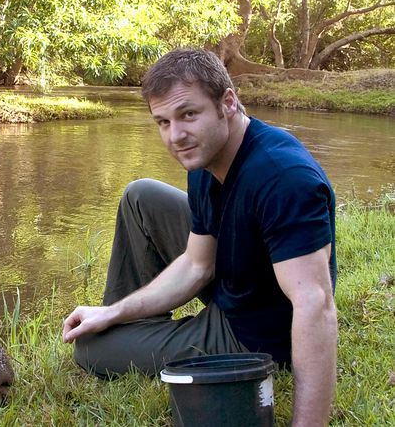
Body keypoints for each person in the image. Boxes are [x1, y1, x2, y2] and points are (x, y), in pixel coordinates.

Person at [61, 48, 337, 426]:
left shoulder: (283, 177)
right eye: (163, 121)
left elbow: (315, 304)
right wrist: (113, 312)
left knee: (90, 349)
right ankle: (128, 325)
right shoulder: (206, 157)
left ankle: (131, 337)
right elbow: (196, 265)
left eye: (188, 114)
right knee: (141, 195)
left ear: (227, 102)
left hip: (254, 333)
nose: (176, 136)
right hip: (240, 278)